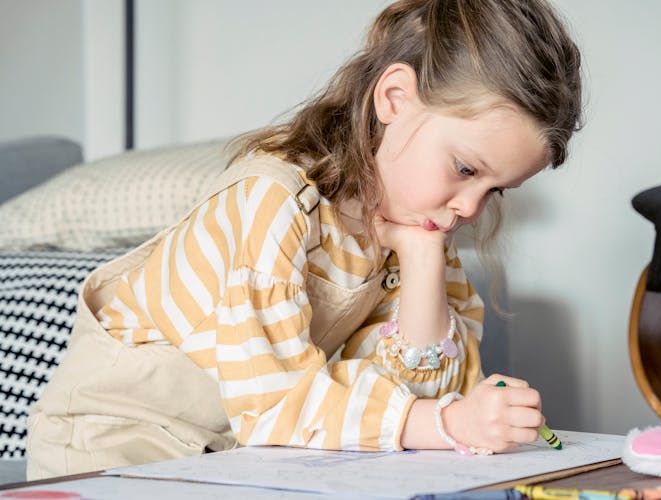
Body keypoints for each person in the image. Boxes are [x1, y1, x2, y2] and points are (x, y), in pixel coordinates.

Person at [26, 0, 582, 479]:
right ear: (394, 99)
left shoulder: (418, 223)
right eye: (465, 168)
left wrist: (421, 258)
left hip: (226, 456)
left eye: (496, 191)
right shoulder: (272, 200)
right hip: (113, 448)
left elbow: (418, 393)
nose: (469, 207)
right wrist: (445, 423)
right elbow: (276, 406)